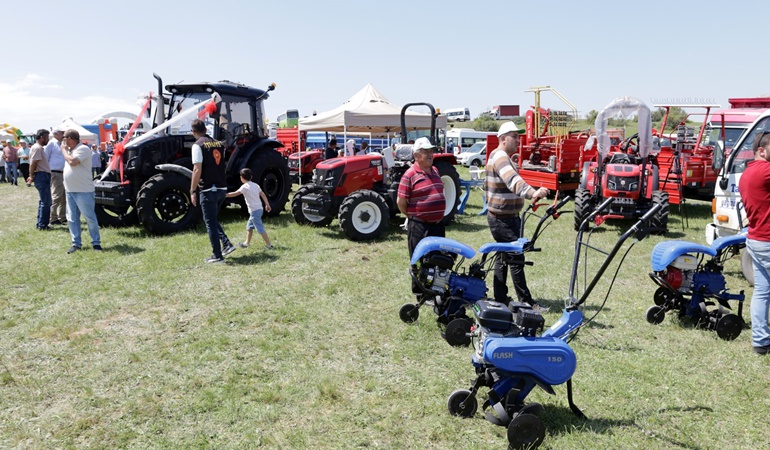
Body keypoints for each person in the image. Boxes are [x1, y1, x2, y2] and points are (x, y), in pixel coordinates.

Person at [485, 121, 549, 310]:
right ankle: (526, 302)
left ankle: (500, 297)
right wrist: (533, 193)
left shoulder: (499, 156)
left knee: (503, 256)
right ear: (503, 139)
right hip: (503, 219)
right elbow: (513, 181)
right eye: (514, 136)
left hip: (503, 217)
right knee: (515, 258)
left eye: (519, 136)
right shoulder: (500, 157)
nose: (518, 140)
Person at [739, 131, 770, 355]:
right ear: (761, 150)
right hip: (767, 241)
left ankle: (760, 341)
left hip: (755, 239)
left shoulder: (747, 173)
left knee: (762, 291)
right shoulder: (766, 171)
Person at [189, 119, 236, 263]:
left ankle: (217, 255)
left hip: (208, 189)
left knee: (209, 223)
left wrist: (192, 190)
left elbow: (197, 169)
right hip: (222, 188)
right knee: (213, 220)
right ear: (205, 129)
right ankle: (227, 244)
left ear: (193, 132)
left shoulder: (197, 146)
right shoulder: (219, 143)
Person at [397, 137, 446, 258]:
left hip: (437, 226)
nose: (430, 154)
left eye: (431, 151)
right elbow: (401, 202)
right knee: (420, 264)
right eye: (426, 152)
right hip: (419, 227)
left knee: (438, 261)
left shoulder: (435, 170)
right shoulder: (409, 174)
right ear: (416, 156)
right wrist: (414, 216)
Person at [60, 129, 102, 253]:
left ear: (71, 139)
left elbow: (72, 162)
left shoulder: (82, 149)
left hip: (83, 190)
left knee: (89, 218)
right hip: (70, 190)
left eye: (64, 138)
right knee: (72, 219)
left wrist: (63, 151)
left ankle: (96, 243)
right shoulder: (71, 150)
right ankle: (76, 243)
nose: (63, 141)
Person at [226, 168, 273, 250]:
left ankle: (269, 245)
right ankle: (246, 243)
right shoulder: (256, 185)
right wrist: (267, 204)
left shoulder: (245, 187)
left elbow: (234, 194)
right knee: (249, 226)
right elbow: (263, 194)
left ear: (241, 178)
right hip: (259, 209)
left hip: (254, 211)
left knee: (260, 228)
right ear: (251, 177)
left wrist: (224, 195)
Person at [26, 130, 52, 230]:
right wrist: (31, 176)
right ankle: (42, 225)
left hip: (42, 175)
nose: (48, 139)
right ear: (41, 137)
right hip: (42, 175)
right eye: (47, 137)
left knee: (43, 201)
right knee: (46, 202)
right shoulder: (37, 148)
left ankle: (41, 224)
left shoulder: (38, 148)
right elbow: (33, 163)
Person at [45, 128, 67, 225]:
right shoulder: (51, 143)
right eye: (61, 133)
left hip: (63, 172)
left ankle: (62, 217)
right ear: (55, 134)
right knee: (57, 195)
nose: (63, 134)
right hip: (55, 172)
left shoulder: (61, 144)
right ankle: (53, 217)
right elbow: (45, 157)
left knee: (64, 196)